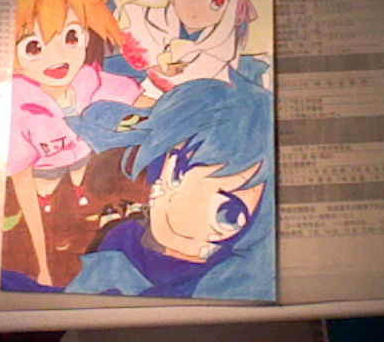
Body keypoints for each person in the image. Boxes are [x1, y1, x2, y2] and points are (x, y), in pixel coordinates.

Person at [65, 70, 276, 300]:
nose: (180, 210)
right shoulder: (121, 241)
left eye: (227, 214)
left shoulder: (236, 281)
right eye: (177, 176)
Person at [7, 0, 142, 286]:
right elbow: (22, 185)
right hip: (44, 184)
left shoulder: (92, 81)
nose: (57, 56)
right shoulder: (16, 106)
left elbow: (143, 106)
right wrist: (42, 266)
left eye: (71, 36)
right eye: (34, 46)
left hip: (90, 175)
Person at [96, 0, 265, 103]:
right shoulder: (139, 15)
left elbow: (210, 87)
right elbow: (111, 60)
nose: (198, 7)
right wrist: (154, 67)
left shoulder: (220, 49)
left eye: (217, 1)